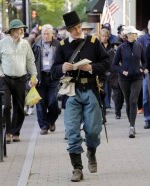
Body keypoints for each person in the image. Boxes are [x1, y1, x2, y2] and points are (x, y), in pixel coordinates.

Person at [51, 11, 110, 182]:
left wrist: (91, 68)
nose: (78, 30)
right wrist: (62, 68)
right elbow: (53, 71)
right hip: (71, 92)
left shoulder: (93, 42)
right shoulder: (62, 46)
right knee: (71, 131)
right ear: (68, 30)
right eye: (74, 29)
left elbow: (107, 63)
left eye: (78, 27)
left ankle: (91, 150)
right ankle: (77, 168)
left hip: (91, 89)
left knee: (93, 130)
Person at [0, 19, 38, 144]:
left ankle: (16, 132)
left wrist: (34, 75)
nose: (22, 30)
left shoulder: (25, 44)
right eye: (19, 29)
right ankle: (8, 132)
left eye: (22, 29)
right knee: (6, 106)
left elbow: (30, 61)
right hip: (5, 79)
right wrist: (0, 73)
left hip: (20, 79)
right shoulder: (2, 43)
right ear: (12, 31)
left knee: (19, 108)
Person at [112, 26, 147, 138]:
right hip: (124, 79)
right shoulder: (121, 48)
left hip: (137, 77)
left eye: (136, 34)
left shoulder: (139, 46)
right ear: (127, 35)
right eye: (133, 34)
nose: (135, 35)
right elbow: (114, 65)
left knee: (133, 101)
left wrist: (141, 69)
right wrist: (123, 71)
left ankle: (132, 127)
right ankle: (131, 124)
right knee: (128, 101)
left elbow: (145, 62)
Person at [32, 24, 61, 135]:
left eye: (48, 33)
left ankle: (51, 121)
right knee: (41, 103)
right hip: (41, 77)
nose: (46, 36)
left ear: (52, 34)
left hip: (54, 77)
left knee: (53, 102)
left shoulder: (58, 45)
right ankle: (44, 126)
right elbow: (31, 62)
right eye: (44, 33)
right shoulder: (36, 46)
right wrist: (32, 77)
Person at [137, 18, 150, 129]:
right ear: (148, 27)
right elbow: (137, 55)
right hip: (148, 73)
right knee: (146, 97)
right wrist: (142, 68)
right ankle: (148, 119)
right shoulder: (142, 39)